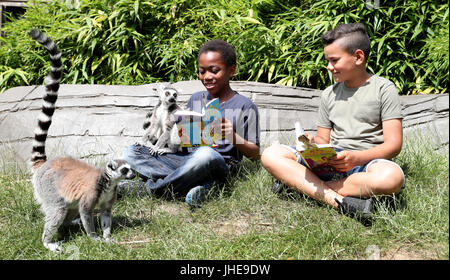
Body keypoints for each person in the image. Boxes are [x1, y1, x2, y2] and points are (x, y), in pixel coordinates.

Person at [261, 23, 405, 221]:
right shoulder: (330, 93)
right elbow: (323, 138)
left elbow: (394, 145)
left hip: (366, 162)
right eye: (328, 60)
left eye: (334, 60)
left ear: (358, 57)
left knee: (391, 178)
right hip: (331, 159)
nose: (329, 67)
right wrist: (310, 142)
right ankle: (339, 200)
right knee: (271, 154)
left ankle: (308, 189)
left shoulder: (383, 89)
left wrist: (357, 158)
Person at [122, 40, 260, 207]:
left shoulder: (245, 106)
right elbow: (188, 142)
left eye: (214, 71)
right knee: (132, 152)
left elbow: (255, 155)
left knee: (205, 154)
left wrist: (233, 136)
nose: (207, 76)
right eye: (202, 72)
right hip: (186, 158)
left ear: (231, 70)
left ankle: (150, 188)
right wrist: (174, 130)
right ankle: (200, 185)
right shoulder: (196, 98)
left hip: (217, 163)